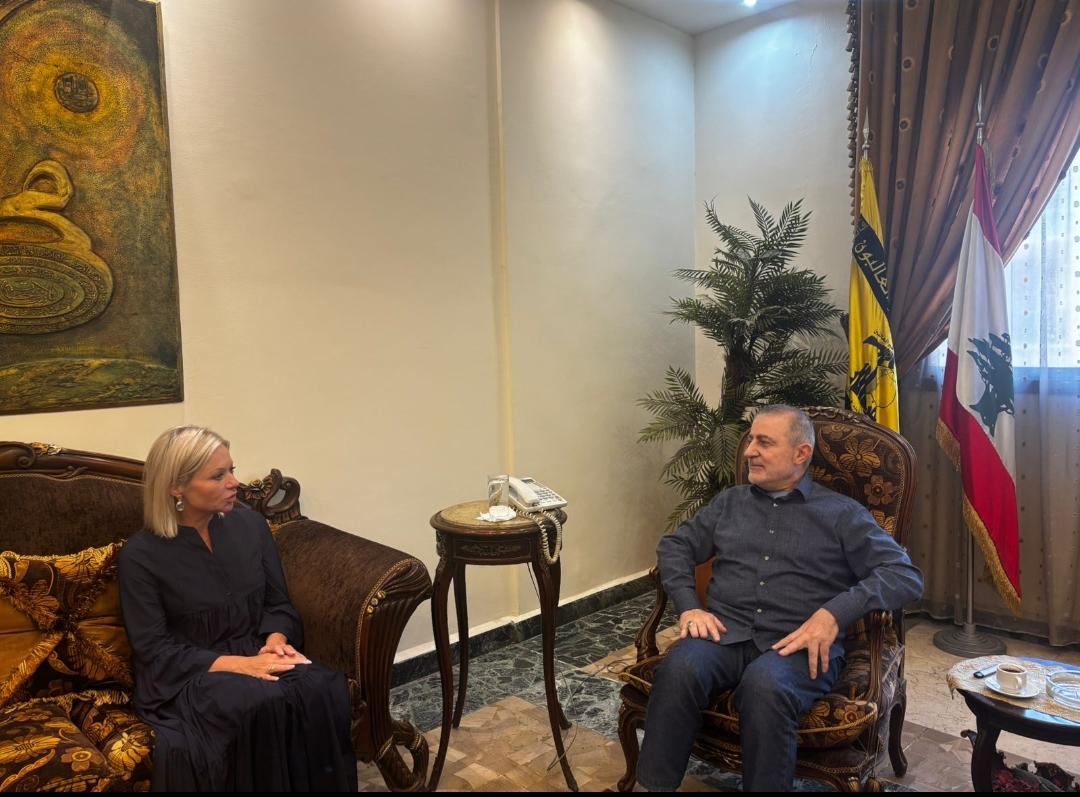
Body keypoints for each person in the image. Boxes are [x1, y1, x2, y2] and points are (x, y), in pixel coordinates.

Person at [636, 405, 923, 792]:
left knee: (765, 687)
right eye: (751, 440)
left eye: (764, 442)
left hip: (798, 645)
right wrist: (689, 606)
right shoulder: (730, 503)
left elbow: (904, 575)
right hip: (725, 633)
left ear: (801, 454)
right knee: (678, 669)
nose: (749, 451)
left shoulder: (842, 514)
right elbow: (675, 546)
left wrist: (833, 614)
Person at [118, 426, 358, 792]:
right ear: (176, 487)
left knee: (320, 686)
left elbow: (278, 603)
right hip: (189, 674)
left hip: (255, 650)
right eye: (218, 476)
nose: (235, 483)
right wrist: (243, 665)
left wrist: (275, 641)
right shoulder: (140, 556)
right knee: (262, 701)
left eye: (232, 469)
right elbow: (154, 650)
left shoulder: (250, 525)